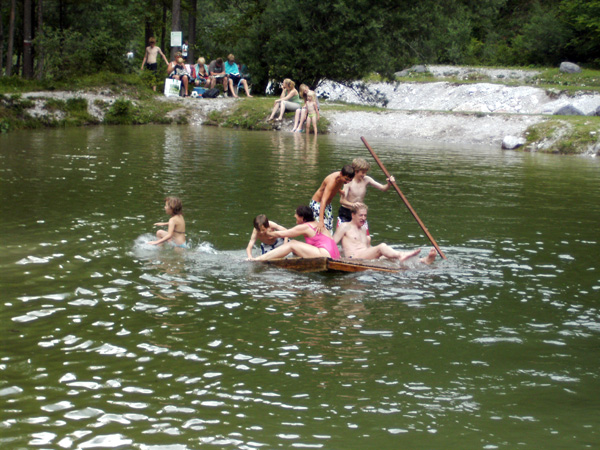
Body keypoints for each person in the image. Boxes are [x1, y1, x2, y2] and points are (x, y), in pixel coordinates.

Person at [333, 203, 436, 264]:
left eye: (365, 215)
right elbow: (332, 243)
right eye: (361, 215)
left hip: (365, 255)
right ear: (353, 215)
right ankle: (401, 255)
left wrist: (380, 255)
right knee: (382, 246)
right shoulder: (345, 226)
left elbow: (368, 247)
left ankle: (423, 260)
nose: (363, 218)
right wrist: (338, 257)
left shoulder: (363, 229)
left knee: (389, 256)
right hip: (354, 258)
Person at [249, 206, 340, 261]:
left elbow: (284, 233)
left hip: (327, 254)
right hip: (335, 254)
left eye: (296, 214)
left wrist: (268, 233)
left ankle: (257, 259)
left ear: (302, 217)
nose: (294, 216)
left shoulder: (305, 226)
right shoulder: (316, 224)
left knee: (292, 244)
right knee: (296, 247)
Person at [337, 157, 395, 231]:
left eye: (365, 172)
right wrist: (353, 204)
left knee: (365, 237)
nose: (364, 174)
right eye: (363, 172)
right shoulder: (349, 182)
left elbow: (383, 188)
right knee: (346, 235)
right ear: (356, 171)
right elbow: (342, 201)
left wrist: (389, 184)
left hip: (359, 213)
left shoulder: (367, 179)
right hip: (346, 212)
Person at [310, 165, 355, 234]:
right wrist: (321, 221)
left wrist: (339, 190)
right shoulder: (332, 181)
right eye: (346, 179)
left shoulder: (340, 178)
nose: (348, 181)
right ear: (341, 174)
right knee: (320, 229)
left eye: (350, 180)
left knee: (329, 229)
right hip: (318, 204)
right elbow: (323, 200)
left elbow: (335, 186)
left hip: (327, 205)